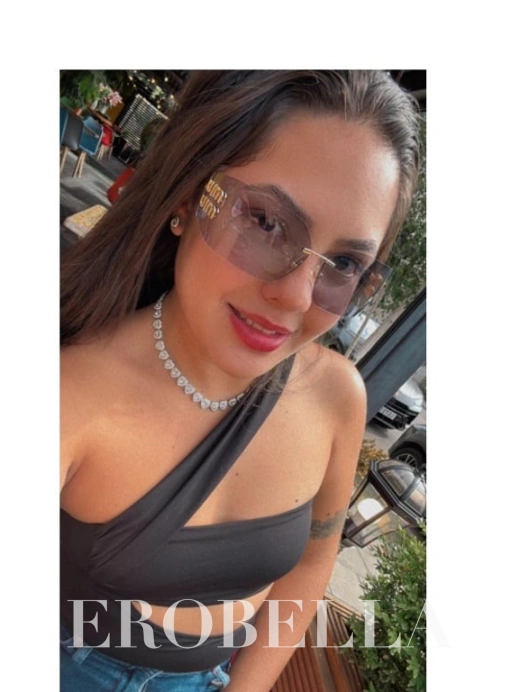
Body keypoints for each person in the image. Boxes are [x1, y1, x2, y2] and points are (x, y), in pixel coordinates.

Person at [60, 70, 420, 691]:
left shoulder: (336, 398)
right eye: (266, 222)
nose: (296, 296)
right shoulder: (71, 391)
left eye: (344, 263)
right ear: (185, 195)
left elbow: (311, 561)